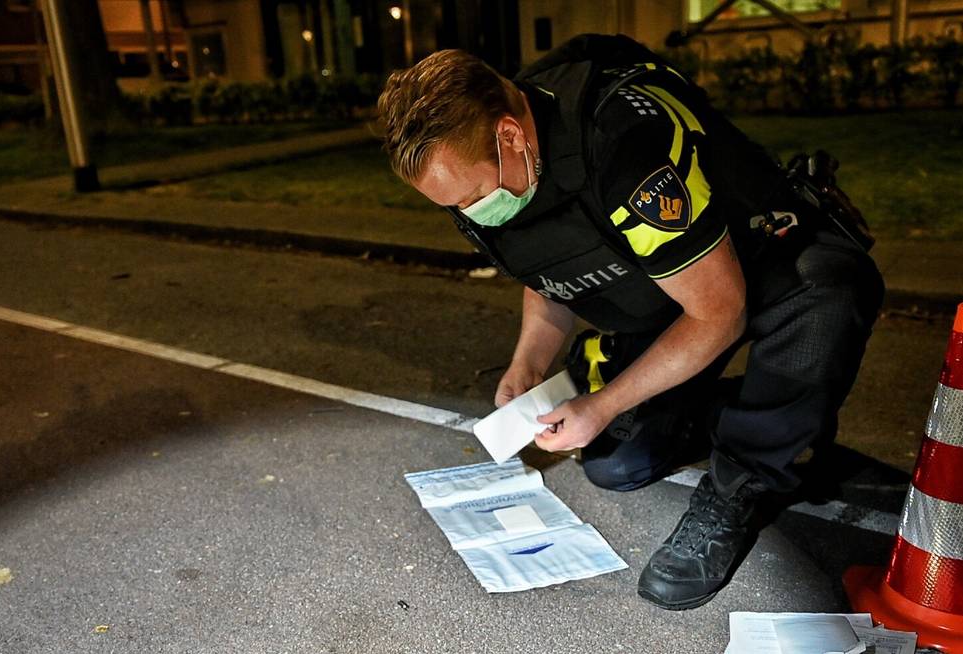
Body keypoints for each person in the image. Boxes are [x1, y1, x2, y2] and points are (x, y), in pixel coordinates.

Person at [377, 34, 884, 610]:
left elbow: (718, 311)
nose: (468, 213)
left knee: (824, 298)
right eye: (452, 206)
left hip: (761, 256)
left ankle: (746, 478)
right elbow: (547, 264)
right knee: (617, 462)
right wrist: (529, 363)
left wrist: (603, 403)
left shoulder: (622, 145)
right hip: (661, 282)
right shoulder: (493, 166)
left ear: (511, 136)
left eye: (471, 197)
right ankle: (789, 422)